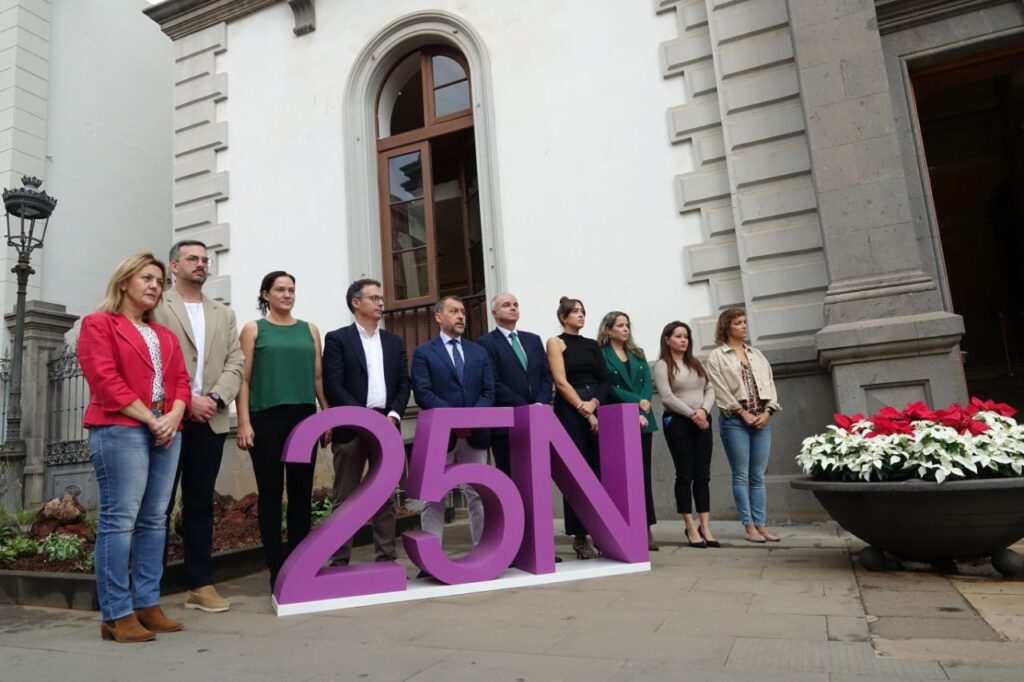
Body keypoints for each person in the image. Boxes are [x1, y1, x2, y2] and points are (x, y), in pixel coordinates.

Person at [78, 252, 191, 642]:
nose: (155, 286)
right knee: (119, 519)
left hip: (166, 430)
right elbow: (104, 379)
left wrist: (174, 415)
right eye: (147, 278)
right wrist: (151, 417)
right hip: (120, 428)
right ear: (124, 281)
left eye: (160, 281)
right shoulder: (98, 324)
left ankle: (147, 604)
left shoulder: (165, 335)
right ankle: (116, 614)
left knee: (155, 520)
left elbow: (182, 381)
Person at [154, 240, 244, 613]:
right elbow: (151, 358)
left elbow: (236, 361)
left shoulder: (223, 313)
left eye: (206, 259)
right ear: (174, 266)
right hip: (166, 419)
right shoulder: (157, 305)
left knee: (199, 504)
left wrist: (216, 399)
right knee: (156, 506)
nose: (202, 264)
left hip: (209, 420)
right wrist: (185, 401)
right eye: (193, 258)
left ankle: (199, 584)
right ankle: (148, 588)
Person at [236, 271, 329, 588]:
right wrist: (244, 422)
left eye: (291, 289)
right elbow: (243, 379)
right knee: (271, 493)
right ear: (266, 295)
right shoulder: (254, 329)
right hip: (265, 418)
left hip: (305, 417)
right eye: (280, 290)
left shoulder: (310, 330)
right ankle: (276, 568)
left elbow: (318, 378)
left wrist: (326, 415)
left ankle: (299, 565)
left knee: (302, 493)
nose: (287, 295)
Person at [322, 278, 410, 565]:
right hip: (352, 428)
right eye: (374, 298)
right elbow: (334, 384)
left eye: (381, 298)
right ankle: (338, 561)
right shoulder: (338, 339)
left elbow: (403, 384)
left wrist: (394, 414)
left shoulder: (394, 342)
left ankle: (386, 559)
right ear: (356, 303)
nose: (381, 302)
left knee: (385, 495)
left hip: (387, 425)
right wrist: (361, 416)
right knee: (344, 496)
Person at [411, 295, 495, 563]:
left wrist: (470, 420)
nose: (461, 316)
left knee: (478, 494)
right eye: (454, 311)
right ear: (439, 317)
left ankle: (484, 552)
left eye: (462, 312)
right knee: (433, 497)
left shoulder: (478, 352)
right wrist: (455, 421)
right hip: (441, 436)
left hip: (475, 436)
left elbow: (489, 392)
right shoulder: (424, 352)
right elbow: (423, 393)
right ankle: (431, 558)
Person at [706, 308, 782, 543]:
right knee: (741, 475)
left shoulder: (756, 354)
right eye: (738, 322)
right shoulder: (717, 356)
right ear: (726, 327)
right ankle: (749, 527)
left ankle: (761, 525)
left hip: (761, 420)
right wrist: (742, 413)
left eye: (744, 322)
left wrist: (768, 412)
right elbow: (720, 389)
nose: (743, 326)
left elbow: (770, 384)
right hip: (734, 422)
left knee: (758, 476)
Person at [546, 297, 609, 560]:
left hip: (594, 402)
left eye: (583, 311)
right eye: (575, 312)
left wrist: (594, 404)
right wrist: (584, 409)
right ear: (564, 317)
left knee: (599, 467)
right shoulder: (556, 342)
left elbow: (604, 380)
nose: (581, 315)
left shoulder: (592, 344)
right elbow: (560, 382)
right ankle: (580, 536)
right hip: (570, 407)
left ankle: (603, 532)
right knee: (577, 470)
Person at [597, 311, 658, 551]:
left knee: (644, 475)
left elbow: (646, 382)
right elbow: (609, 387)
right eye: (620, 325)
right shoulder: (602, 355)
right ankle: (624, 526)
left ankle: (646, 526)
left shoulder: (638, 353)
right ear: (609, 329)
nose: (625, 329)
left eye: (627, 325)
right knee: (624, 476)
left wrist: (644, 402)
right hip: (619, 418)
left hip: (644, 418)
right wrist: (636, 401)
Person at [652, 321, 717, 548]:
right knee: (685, 474)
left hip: (702, 420)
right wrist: (692, 414)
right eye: (678, 336)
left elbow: (710, 388)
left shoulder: (696, 362)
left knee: (703, 474)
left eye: (686, 336)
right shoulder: (662, 365)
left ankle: (705, 526)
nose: (683, 340)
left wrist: (704, 411)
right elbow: (667, 397)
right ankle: (690, 526)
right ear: (667, 340)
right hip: (678, 422)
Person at [477, 292, 553, 476]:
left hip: (537, 419)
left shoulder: (533, 340)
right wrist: (525, 407)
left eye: (515, 305)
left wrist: (540, 404)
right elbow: (493, 381)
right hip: (506, 423)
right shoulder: (485, 343)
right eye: (506, 305)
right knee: (511, 475)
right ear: (494, 312)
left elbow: (545, 376)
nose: (513, 308)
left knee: (538, 475)